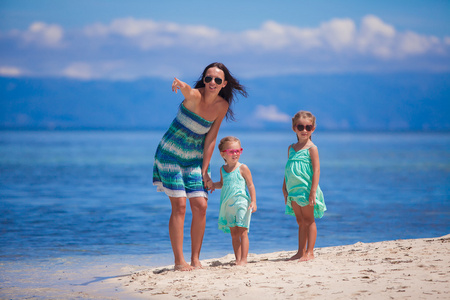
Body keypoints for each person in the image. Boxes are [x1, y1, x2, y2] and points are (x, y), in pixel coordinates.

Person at [153, 62, 248, 271]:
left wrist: (205, 170)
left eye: (217, 80)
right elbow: (187, 90)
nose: (212, 82)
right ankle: (179, 261)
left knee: (201, 206)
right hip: (171, 154)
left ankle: (195, 259)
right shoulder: (194, 96)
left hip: (194, 158)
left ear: (223, 84)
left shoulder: (222, 106)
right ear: (203, 80)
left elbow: (211, 138)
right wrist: (180, 84)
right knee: (179, 206)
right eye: (208, 78)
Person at [282, 111, 326, 262]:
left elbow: (317, 170)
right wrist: (284, 187)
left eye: (308, 127)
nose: (304, 130)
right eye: (300, 127)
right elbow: (288, 168)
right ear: (294, 128)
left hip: (306, 189)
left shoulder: (312, 148)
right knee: (300, 221)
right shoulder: (291, 148)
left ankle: (310, 252)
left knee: (309, 220)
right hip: (293, 189)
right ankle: (300, 252)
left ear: (313, 129)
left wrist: (313, 191)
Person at [211, 136, 257, 265]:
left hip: (242, 203)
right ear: (223, 154)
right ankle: (237, 259)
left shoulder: (243, 168)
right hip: (228, 205)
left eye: (238, 151)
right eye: (231, 151)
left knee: (243, 231)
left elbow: (250, 185)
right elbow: (222, 183)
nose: (235, 154)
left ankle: (244, 259)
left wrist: (253, 201)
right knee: (234, 234)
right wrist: (214, 185)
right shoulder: (223, 169)